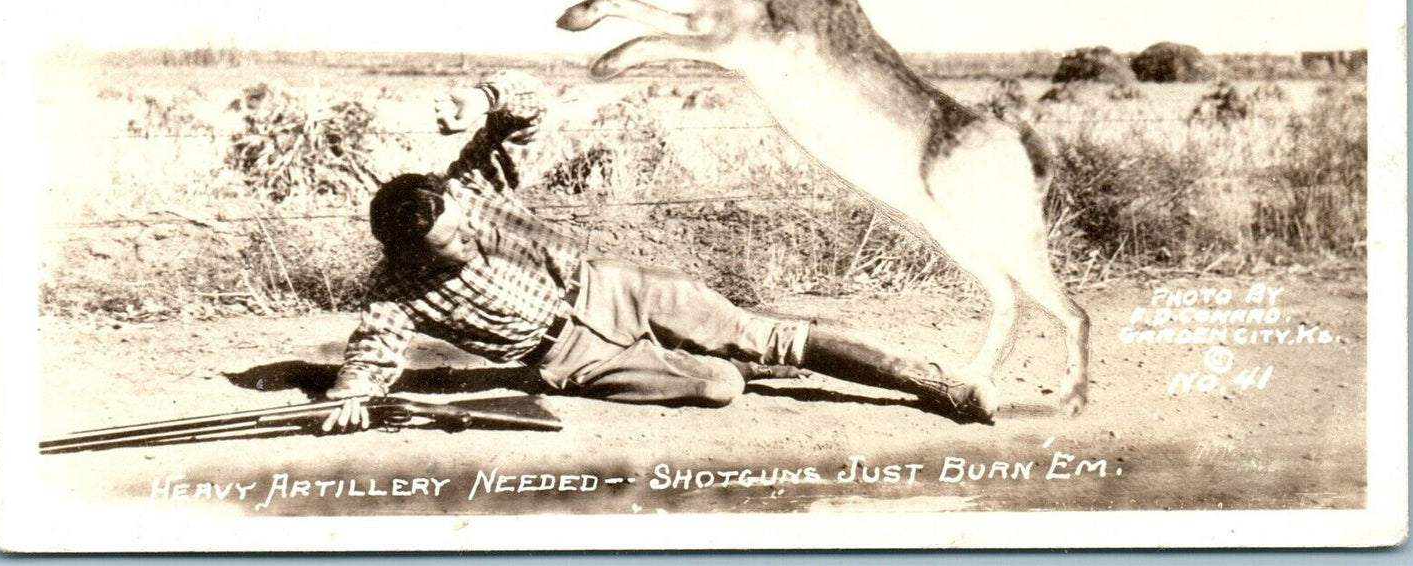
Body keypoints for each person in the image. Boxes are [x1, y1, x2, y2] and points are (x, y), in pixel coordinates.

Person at [322, 70, 994, 431]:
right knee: (718, 383)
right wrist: (350, 398)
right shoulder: (393, 293)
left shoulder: (470, 185)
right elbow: (368, 357)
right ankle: (728, 359)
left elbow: (527, 106)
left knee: (768, 336)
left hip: (612, 286)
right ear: (408, 258)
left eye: (461, 229)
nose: (467, 244)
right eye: (445, 252)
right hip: (573, 360)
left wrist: (479, 96)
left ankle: (933, 382)